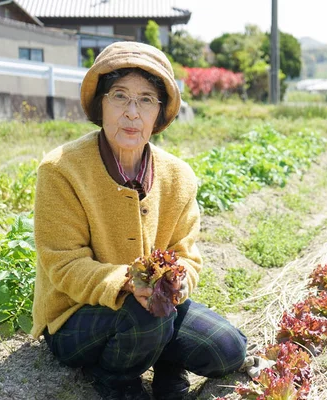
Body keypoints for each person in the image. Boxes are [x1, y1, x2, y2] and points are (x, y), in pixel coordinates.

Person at [31, 41, 247, 400]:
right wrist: (128, 283)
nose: (132, 112)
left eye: (146, 99)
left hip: (155, 306)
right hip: (76, 316)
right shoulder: (62, 169)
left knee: (227, 348)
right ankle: (116, 379)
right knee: (149, 318)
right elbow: (63, 263)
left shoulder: (178, 176)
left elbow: (186, 255)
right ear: (100, 103)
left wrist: (174, 283)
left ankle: (165, 362)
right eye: (119, 96)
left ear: (159, 113)